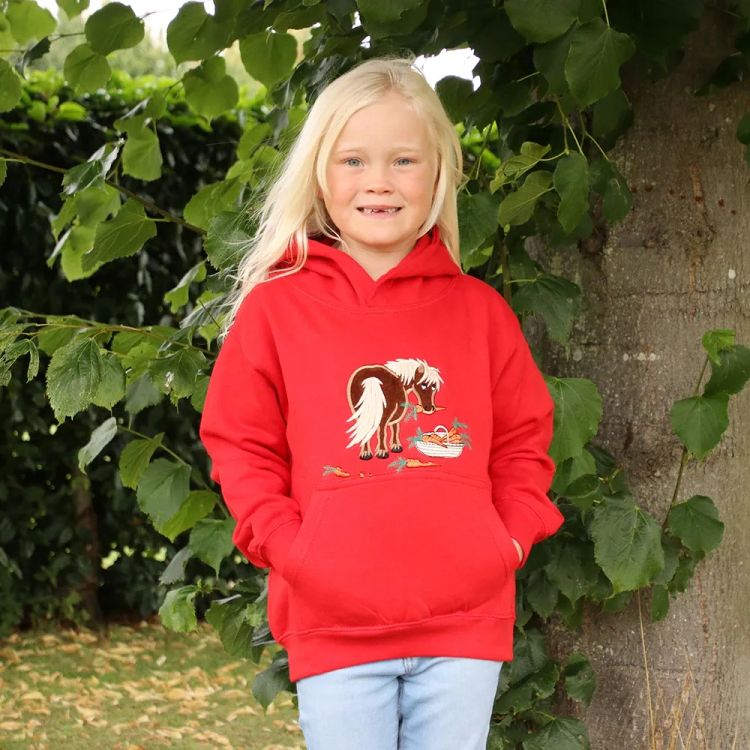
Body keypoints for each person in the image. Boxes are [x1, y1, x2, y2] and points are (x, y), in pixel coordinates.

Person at [198, 55, 565, 750]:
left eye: (403, 160)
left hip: (462, 623)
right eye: (354, 161)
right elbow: (241, 445)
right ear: (320, 174)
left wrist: (507, 540)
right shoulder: (275, 311)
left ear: (437, 174)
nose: (379, 181)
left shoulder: (480, 312)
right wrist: (292, 550)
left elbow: (524, 439)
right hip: (333, 622)